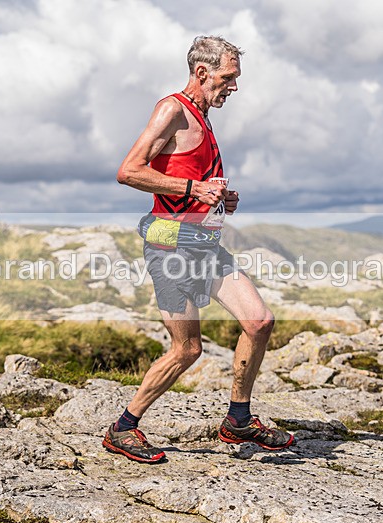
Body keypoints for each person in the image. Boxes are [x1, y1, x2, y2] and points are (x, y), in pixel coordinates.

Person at [102, 36, 295, 463]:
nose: (235, 87)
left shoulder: (204, 118)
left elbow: (190, 178)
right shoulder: (172, 109)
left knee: (260, 322)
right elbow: (128, 171)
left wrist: (219, 199)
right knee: (187, 350)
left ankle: (238, 420)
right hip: (170, 247)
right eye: (228, 78)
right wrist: (194, 188)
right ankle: (123, 429)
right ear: (202, 73)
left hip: (205, 245)